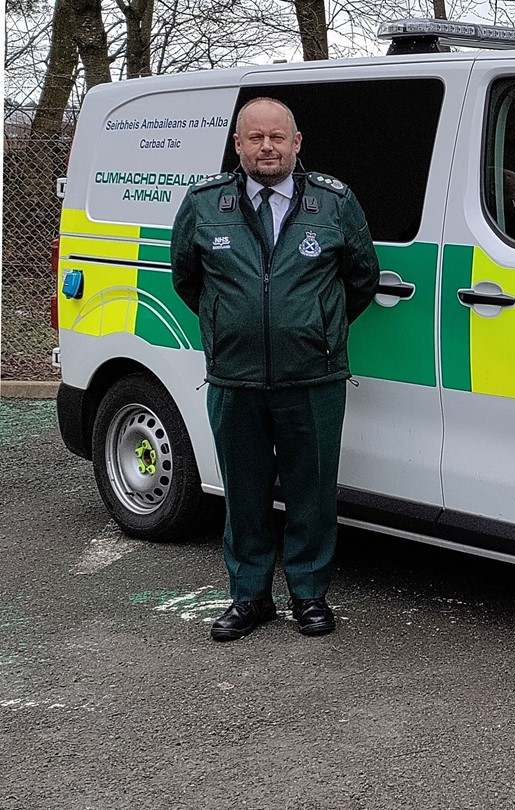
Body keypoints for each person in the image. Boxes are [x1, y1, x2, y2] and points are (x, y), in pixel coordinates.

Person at [171, 97, 380, 642]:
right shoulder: (203, 204)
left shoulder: (334, 203)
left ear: (297, 143)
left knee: (312, 491)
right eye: (256, 138)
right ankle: (250, 598)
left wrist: (313, 326)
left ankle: (309, 596)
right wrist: (233, 325)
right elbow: (187, 280)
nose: (268, 147)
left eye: (278, 138)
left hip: (314, 376)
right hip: (235, 378)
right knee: (244, 493)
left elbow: (361, 277)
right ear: (237, 145)